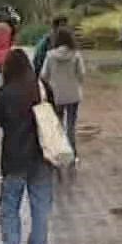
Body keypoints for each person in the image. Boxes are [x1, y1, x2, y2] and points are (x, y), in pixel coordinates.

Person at [0, 48, 54, 244]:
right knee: (40, 208)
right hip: (42, 153)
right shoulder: (41, 87)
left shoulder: (4, 93)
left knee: (9, 206)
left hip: (14, 155)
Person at [38, 27, 86, 158]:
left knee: (58, 124)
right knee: (71, 125)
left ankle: (59, 152)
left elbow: (43, 75)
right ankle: (73, 153)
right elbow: (82, 73)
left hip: (56, 95)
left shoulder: (50, 55)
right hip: (73, 94)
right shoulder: (75, 55)